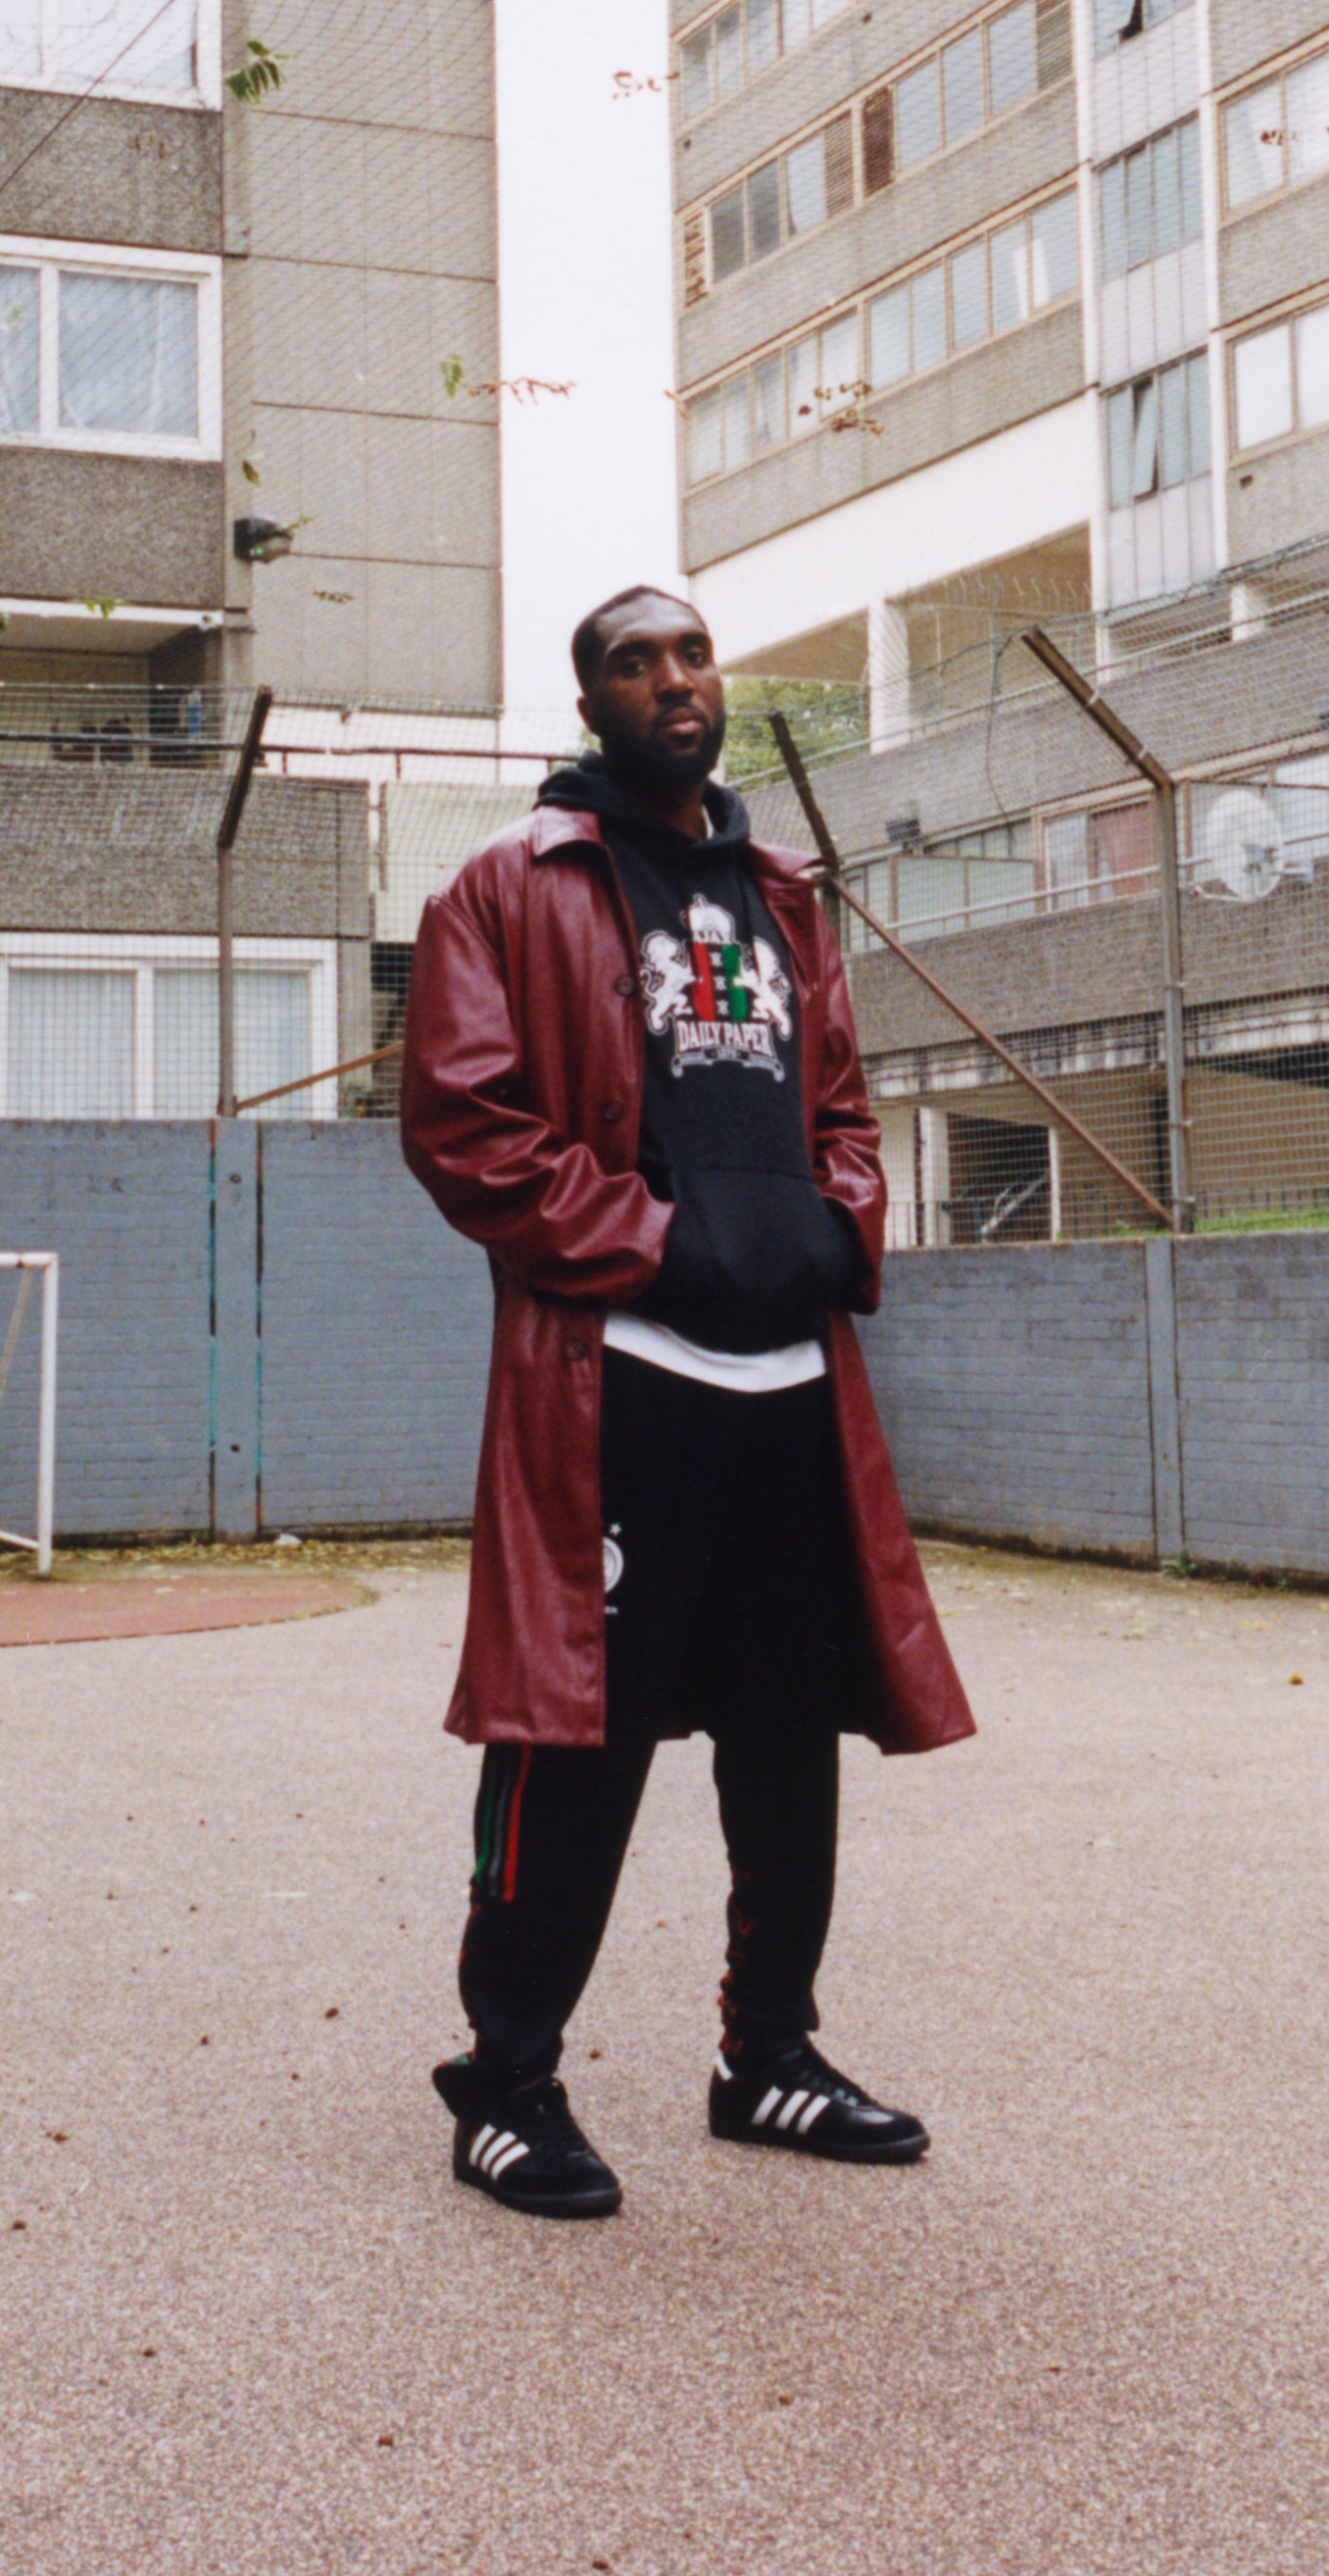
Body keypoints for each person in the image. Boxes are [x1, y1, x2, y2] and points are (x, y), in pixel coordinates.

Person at [398, 584, 973, 2219]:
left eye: (692, 654)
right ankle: (506, 2082)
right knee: (573, 1734)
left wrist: (832, 1228)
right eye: (632, 662)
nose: (672, 681)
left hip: (789, 1382)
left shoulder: (782, 892)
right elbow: (462, 1126)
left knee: (788, 1728)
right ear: (589, 702)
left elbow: (841, 1104)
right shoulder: (506, 884)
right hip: (618, 1381)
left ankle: (767, 2056)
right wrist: (659, 1242)